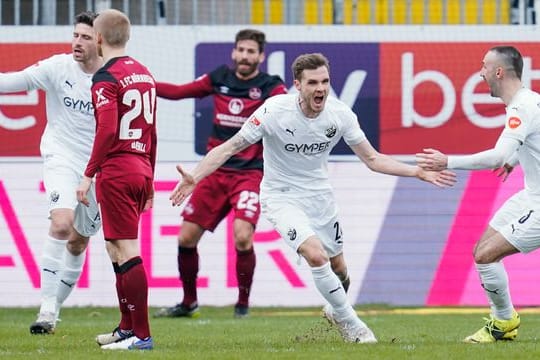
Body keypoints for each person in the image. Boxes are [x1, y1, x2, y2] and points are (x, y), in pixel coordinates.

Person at [169, 53, 456, 343]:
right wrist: (196, 175)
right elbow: (229, 147)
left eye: (325, 82)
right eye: (313, 83)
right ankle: (353, 325)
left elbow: (372, 159)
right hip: (281, 197)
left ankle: (336, 310)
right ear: (298, 85)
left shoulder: (340, 114)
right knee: (315, 254)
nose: (321, 89)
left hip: (319, 198)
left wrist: (416, 173)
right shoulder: (274, 111)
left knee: (340, 270)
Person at [154, 29, 288, 319]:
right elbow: (178, 92)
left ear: (261, 56)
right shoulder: (219, 78)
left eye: (251, 51)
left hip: (249, 174)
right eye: (241, 50)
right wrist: (143, 85)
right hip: (213, 173)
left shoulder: (271, 86)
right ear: (234, 52)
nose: (245, 56)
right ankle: (189, 303)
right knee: (186, 238)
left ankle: (242, 306)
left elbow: (289, 108)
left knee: (242, 238)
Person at [416, 45, 535, 344]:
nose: (479, 73)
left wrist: (448, 161)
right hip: (530, 194)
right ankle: (504, 320)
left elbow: (496, 157)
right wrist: (516, 159)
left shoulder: (523, 106)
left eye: (483, 66)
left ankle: (504, 322)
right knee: (481, 250)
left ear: (499, 72)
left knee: (485, 256)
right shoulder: (528, 103)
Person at [0, 11, 102, 335]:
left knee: (78, 243)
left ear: (100, 41)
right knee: (61, 223)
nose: (77, 42)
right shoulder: (57, 68)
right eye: (75, 35)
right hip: (61, 157)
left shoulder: (112, 79)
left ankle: (54, 309)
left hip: (98, 168)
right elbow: (13, 82)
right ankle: (45, 311)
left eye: (85, 37)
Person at [76, 9, 156, 351]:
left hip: (119, 170)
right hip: (140, 166)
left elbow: (107, 129)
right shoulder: (144, 74)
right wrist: (150, 178)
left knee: (126, 249)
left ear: (98, 38)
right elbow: (153, 132)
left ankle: (142, 335)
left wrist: (88, 173)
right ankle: (126, 327)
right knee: (114, 247)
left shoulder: (105, 78)